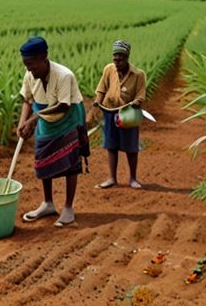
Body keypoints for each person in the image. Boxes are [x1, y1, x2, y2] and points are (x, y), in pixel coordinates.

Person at [17, 36, 90, 227]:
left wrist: (33, 119)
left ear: (44, 57)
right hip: (43, 118)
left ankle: (68, 208)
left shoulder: (64, 75)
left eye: (32, 65)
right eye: (26, 65)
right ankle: (47, 203)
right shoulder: (29, 75)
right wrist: (22, 121)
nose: (29, 70)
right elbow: (27, 99)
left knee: (70, 163)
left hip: (67, 118)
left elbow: (63, 106)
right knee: (43, 161)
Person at [93, 40, 146, 189]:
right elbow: (101, 88)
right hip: (110, 112)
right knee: (111, 145)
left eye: (120, 58)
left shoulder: (138, 75)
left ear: (127, 56)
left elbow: (141, 95)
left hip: (128, 114)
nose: (117, 61)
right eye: (115, 57)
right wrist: (98, 101)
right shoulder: (109, 69)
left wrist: (136, 103)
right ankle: (112, 178)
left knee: (131, 147)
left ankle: (133, 178)